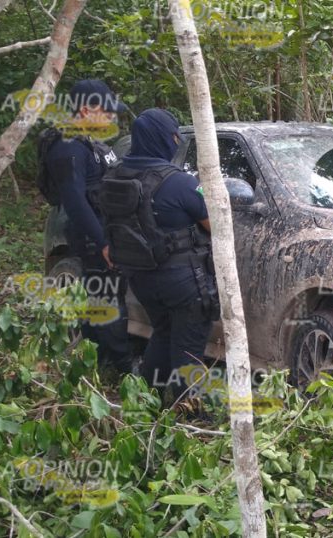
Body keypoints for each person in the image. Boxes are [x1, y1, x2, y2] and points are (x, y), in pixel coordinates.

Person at [97, 108, 216, 405]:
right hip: (184, 282)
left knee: (162, 333)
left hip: (141, 277)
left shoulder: (115, 175)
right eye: (174, 135)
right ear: (165, 138)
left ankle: (145, 404)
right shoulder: (180, 182)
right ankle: (191, 419)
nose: (177, 140)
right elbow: (216, 224)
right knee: (188, 347)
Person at [40, 79, 131, 373]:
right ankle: (120, 369)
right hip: (94, 240)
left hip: (104, 233)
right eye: (105, 111)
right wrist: (102, 241)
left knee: (105, 302)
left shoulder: (87, 141)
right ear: (86, 108)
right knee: (107, 304)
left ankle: (99, 364)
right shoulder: (67, 148)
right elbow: (75, 201)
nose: (110, 117)